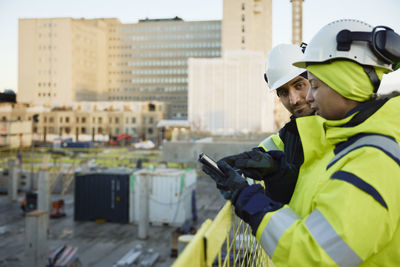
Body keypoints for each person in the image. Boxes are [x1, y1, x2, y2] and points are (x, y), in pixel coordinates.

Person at [203, 19, 400, 266]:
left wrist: (248, 199)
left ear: (343, 83)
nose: (300, 99)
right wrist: (276, 171)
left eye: (310, 85)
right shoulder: (340, 136)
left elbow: (312, 253)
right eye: (284, 92)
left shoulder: (372, 157)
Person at [217, 43, 314, 204]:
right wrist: (243, 165)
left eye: (299, 86)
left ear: (314, 79)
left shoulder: (336, 129)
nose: (293, 100)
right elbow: (271, 147)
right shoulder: (291, 133)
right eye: (283, 92)